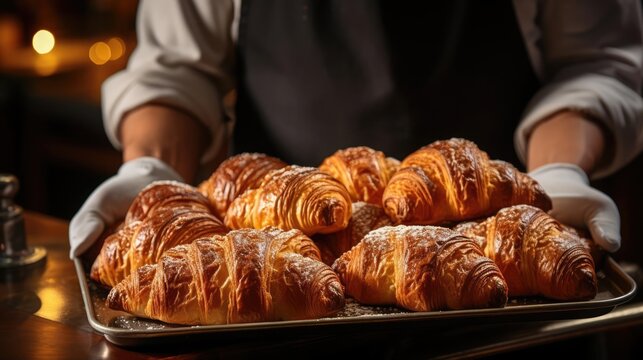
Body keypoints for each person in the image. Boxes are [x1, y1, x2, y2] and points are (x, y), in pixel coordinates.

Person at [69, 0, 642, 261]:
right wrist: (150, 171)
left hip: (505, 275)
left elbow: (598, 60)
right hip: (275, 284)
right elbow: (175, 68)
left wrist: (556, 173)